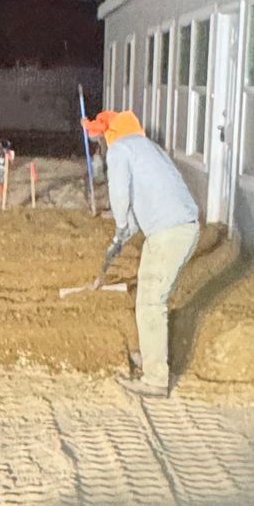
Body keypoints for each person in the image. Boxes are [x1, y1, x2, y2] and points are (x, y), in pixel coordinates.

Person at [84, 108, 198, 397]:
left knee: (150, 302)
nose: (101, 145)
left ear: (109, 133)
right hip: (178, 228)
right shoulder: (146, 148)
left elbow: (120, 196)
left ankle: (156, 379)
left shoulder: (120, 150)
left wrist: (120, 223)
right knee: (149, 298)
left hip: (168, 232)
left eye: (100, 138)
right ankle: (151, 359)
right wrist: (120, 237)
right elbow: (140, 207)